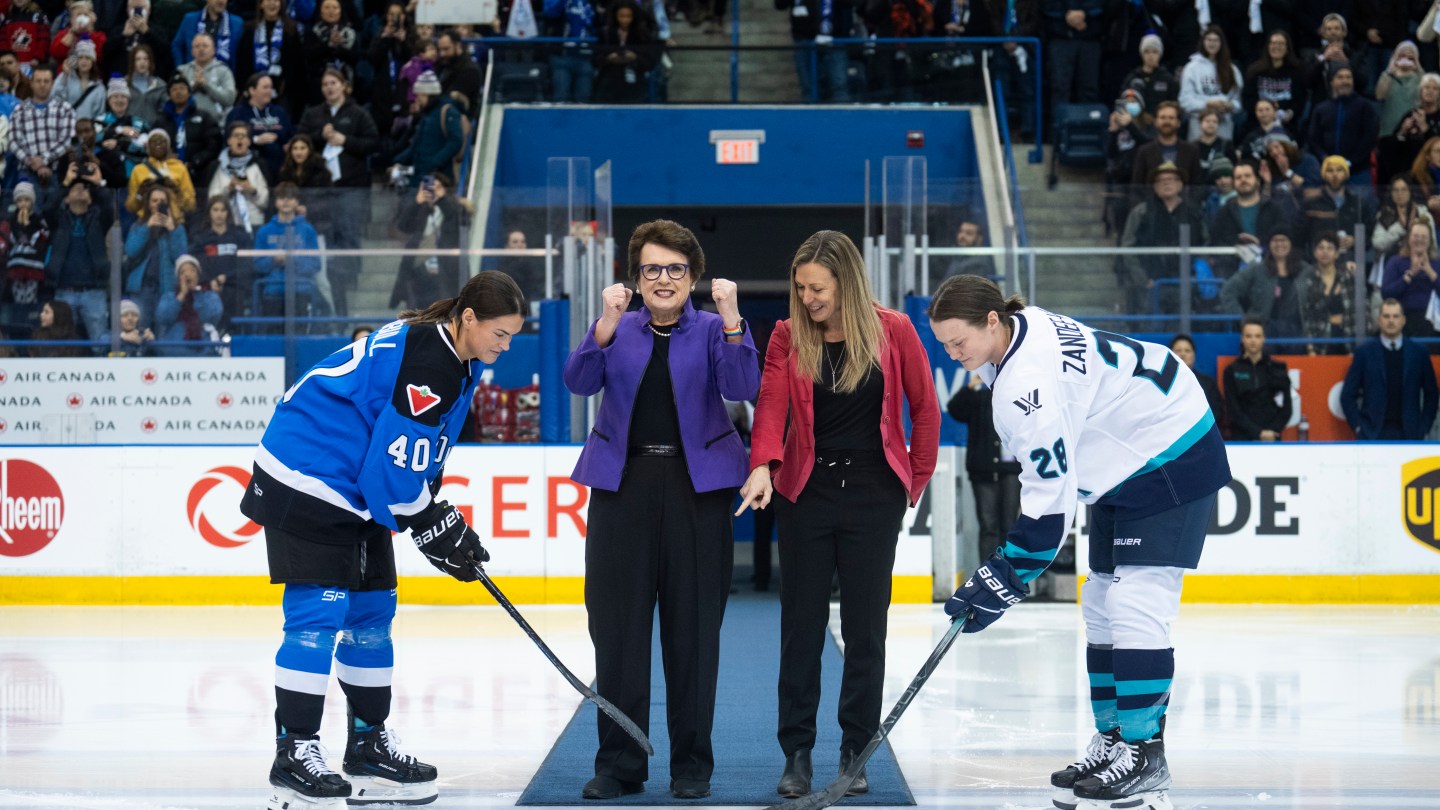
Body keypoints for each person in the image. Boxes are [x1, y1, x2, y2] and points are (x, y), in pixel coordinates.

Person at [925, 274, 1229, 810]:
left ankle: (1145, 753)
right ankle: (1114, 741)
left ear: (992, 321)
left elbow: (1047, 513)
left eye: (959, 341)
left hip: (1171, 453)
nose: (952, 354)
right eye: (944, 343)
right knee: (1100, 601)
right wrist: (1002, 575)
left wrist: (1002, 578)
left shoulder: (1027, 386)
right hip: (1126, 460)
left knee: (1137, 604)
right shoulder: (1023, 326)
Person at [239, 271, 526, 810]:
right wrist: (432, 523)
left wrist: (436, 519)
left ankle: (367, 744)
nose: (504, 347)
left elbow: (406, 464)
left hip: (353, 487)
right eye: (501, 334)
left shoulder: (453, 356)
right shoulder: (431, 362)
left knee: (372, 613)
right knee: (317, 618)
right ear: (468, 319)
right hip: (308, 477)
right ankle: (293, 753)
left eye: (512, 337)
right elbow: (388, 476)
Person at [736, 230, 939, 799]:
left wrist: (912, 483)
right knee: (799, 628)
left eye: (817, 288)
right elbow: (771, 405)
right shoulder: (785, 335)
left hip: (875, 493)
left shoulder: (894, 329)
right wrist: (762, 466)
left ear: (846, 281)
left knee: (865, 629)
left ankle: (857, 748)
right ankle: (796, 753)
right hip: (807, 492)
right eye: (800, 288)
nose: (807, 299)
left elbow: (925, 410)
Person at [563, 220, 759, 801]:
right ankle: (620, 763)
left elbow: (743, 381)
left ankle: (691, 766)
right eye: (652, 269)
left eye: (676, 269)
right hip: (621, 488)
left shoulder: (709, 329)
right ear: (636, 278)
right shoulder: (617, 328)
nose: (664, 279)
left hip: (697, 490)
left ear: (694, 277)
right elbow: (578, 380)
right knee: (616, 628)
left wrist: (731, 319)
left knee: (693, 630)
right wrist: (602, 323)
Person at [946, 371, 1020, 563]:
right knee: (988, 526)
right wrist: (971, 386)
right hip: (983, 471)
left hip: (1011, 471)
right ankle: (987, 576)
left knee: (1009, 526)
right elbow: (954, 409)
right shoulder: (979, 398)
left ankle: (1008, 577)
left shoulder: (1017, 395)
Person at [1341, 298, 1439, 440]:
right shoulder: (1364, 353)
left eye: (1395, 316)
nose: (1391, 321)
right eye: (1386, 316)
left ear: (1403, 320)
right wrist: (1359, 427)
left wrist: (1423, 428)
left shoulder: (1419, 353)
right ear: (1379, 320)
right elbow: (1347, 395)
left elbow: (1432, 395)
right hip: (1373, 434)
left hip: (1410, 435)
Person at [44, 171, 115, 342]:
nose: (80, 191)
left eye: (84, 189)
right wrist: (65, 182)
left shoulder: (98, 220)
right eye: (74, 189)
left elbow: (109, 208)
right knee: (62, 340)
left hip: (94, 291)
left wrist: (97, 184)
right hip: (64, 289)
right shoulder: (58, 220)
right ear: (66, 199)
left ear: (90, 198)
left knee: (100, 342)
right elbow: (48, 208)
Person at [389, 173, 468, 312]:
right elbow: (403, 226)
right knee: (419, 312)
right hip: (418, 269)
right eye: (430, 187)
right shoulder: (421, 209)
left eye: (437, 187)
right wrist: (417, 202)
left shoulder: (454, 207)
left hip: (446, 270)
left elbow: (457, 222)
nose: (433, 190)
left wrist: (442, 199)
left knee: (447, 311)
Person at [1220, 228, 1313, 338]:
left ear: (1291, 244)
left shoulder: (1305, 270)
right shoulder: (1256, 269)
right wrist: (1244, 321)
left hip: (1298, 334)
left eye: (1283, 240)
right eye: (1275, 240)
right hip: (1264, 335)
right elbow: (1228, 291)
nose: (1279, 244)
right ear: (1269, 244)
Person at [124, 181, 187, 328]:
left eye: (163, 201)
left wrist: (172, 230)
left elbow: (181, 258)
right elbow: (130, 251)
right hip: (141, 289)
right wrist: (147, 228)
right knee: (140, 329)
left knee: (163, 330)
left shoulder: (177, 229)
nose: (158, 204)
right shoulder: (138, 226)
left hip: (167, 289)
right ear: (148, 204)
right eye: (154, 200)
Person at [1305, 67, 1380, 187]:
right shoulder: (1321, 108)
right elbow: (1313, 139)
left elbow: (1369, 137)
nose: (1345, 81)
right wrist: (1325, 159)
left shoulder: (1364, 106)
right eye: (1340, 77)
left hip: (1358, 171)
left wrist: (1350, 162)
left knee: (1363, 205)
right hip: (1327, 170)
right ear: (1332, 82)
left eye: (1348, 77)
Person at [1222, 316, 1291, 441]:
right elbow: (1233, 410)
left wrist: (1273, 430)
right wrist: (1257, 432)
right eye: (1249, 336)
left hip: (1272, 438)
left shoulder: (1277, 368)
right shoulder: (1231, 370)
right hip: (1242, 439)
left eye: (1257, 336)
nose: (1253, 340)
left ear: (1264, 338)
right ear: (1242, 339)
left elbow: (1287, 407)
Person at [189, 194, 251, 329]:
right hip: (207, 290)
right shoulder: (200, 238)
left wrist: (225, 277)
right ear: (209, 212)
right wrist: (210, 281)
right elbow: (195, 265)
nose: (219, 214)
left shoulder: (239, 236)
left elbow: (246, 265)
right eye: (215, 210)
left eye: (223, 210)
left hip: (234, 290)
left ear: (228, 213)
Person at [234, 0, 306, 115]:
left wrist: (285, 85)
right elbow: (242, 63)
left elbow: (297, 65)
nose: (272, 4)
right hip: (254, 90)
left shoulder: (291, 30)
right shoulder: (250, 29)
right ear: (261, 4)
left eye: (276, 1)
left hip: (283, 92)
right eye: (268, 0)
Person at [11, 64, 77, 182]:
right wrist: (32, 162)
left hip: (57, 171)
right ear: (31, 84)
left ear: (52, 84)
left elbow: (66, 140)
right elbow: (14, 141)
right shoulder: (19, 110)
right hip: (26, 171)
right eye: (38, 81)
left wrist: (44, 160)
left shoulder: (65, 109)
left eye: (46, 81)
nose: (42, 85)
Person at [1178, 25, 1243, 141]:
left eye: (1216, 40)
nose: (1212, 44)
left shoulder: (1231, 69)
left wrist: (1229, 105)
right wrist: (1208, 104)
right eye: (1209, 40)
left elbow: (1238, 102)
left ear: (1221, 43)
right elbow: (1185, 101)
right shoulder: (1192, 68)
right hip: (1198, 123)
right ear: (1203, 42)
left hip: (1223, 124)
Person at [225, 73, 294, 180]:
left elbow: (291, 135)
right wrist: (255, 140)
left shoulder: (279, 112)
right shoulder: (238, 113)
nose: (269, 91)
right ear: (252, 90)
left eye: (271, 87)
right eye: (265, 87)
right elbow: (228, 140)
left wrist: (289, 144)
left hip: (279, 167)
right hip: (249, 166)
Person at [1128, 101, 1202, 199]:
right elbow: (1137, 187)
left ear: (1178, 123)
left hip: (1184, 210)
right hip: (1152, 209)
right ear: (1156, 122)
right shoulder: (1144, 151)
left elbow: (1196, 186)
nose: (1167, 121)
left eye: (1171, 118)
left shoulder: (1192, 151)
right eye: (1162, 117)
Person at [1381, 220, 1440, 337]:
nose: (1419, 240)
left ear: (1430, 241)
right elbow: (1386, 294)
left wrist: (1430, 272)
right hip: (1403, 320)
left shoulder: (1437, 264)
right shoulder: (1395, 262)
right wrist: (1410, 274)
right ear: (1409, 239)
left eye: (1424, 237)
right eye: (1416, 236)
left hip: (1433, 321)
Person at [207, 120, 269, 231]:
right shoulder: (217, 166)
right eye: (236, 136)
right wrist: (228, 189)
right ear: (229, 141)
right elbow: (211, 200)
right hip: (226, 226)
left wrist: (252, 190)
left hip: (254, 223)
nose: (240, 139)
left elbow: (267, 202)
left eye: (243, 136)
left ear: (249, 142)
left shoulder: (259, 165)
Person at [154, 253, 222, 354]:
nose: (187, 275)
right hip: (172, 354)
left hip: (203, 353)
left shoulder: (209, 296)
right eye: (182, 272)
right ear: (178, 278)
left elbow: (211, 317)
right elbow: (163, 317)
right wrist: (181, 295)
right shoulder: (169, 297)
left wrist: (196, 295)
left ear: (198, 275)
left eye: (192, 270)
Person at [1303, 233, 1356, 355]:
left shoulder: (1348, 276)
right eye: (1321, 248)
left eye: (1330, 248)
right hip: (1319, 341)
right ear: (1314, 253)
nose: (1325, 252)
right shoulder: (1306, 279)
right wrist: (1310, 347)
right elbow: (1304, 316)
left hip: (1347, 339)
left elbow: (1362, 310)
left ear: (1337, 253)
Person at [0, 181, 50, 307]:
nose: (23, 203)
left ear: (32, 201)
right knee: (16, 295)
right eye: (20, 200)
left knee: (31, 296)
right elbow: (8, 239)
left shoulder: (38, 219)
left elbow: (44, 236)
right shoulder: (11, 220)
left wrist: (28, 227)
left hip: (33, 264)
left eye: (26, 200)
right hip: (15, 264)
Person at [1169, 333, 1226, 435]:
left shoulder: (1208, 383)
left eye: (1187, 351)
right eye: (1178, 350)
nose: (1183, 354)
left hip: (1202, 435)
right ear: (1170, 354)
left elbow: (1217, 412)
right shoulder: (1161, 383)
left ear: (1194, 355)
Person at [179, 32, 238, 124]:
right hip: (186, 122)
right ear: (192, 51)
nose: (201, 49)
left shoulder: (224, 71)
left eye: (205, 46)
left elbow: (229, 99)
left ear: (214, 50)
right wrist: (194, 85)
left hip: (216, 124)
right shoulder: (182, 70)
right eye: (197, 46)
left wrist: (206, 86)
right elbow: (173, 97)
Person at [171, 0, 244, 71]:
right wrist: (181, 69)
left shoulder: (237, 23)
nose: (221, 1)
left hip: (223, 78)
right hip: (192, 76)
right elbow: (177, 45)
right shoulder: (190, 19)